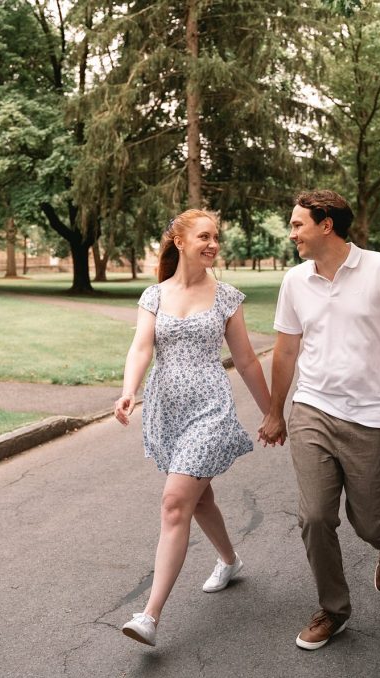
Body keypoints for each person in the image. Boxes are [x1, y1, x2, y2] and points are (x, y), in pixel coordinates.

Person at [258, 190, 380, 651]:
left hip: (372, 418)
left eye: (298, 224)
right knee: (315, 516)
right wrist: (276, 411)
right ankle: (333, 610)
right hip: (313, 409)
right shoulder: (294, 281)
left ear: (327, 225)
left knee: (369, 522)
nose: (292, 232)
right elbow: (286, 351)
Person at [114, 208, 271, 647]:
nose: (212, 244)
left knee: (174, 503)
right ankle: (230, 560)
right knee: (199, 501)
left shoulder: (226, 297)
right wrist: (129, 391)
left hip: (209, 411)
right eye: (204, 236)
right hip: (167, 412)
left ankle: (149, 615)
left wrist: (271, 413)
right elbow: (140, 348)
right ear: (179, 241)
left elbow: (246, 361)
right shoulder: (154, 296)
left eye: (215, 237)